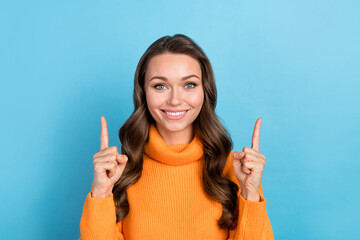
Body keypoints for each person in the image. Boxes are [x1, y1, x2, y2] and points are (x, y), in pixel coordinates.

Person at [79, 34, 274, 239]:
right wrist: (101, 193)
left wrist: (250, 194)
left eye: (189, 84)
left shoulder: (234, 170)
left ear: (205, 91)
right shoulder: (119, 173)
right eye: (160, 86)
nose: (175, 100)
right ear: (143, 92)